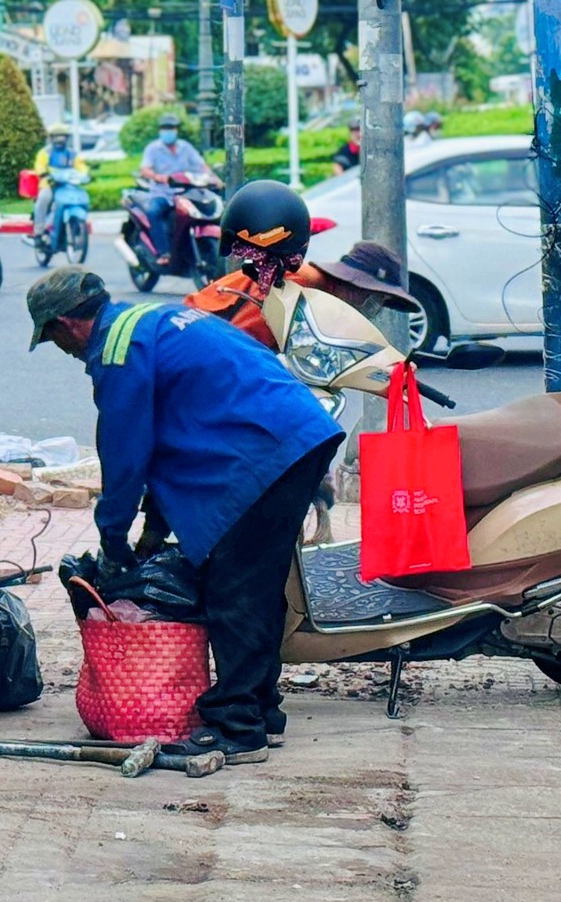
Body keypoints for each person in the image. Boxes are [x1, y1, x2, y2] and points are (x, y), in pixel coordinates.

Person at [25, 261, 344, 764]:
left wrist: (113, 541)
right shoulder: (156, 319)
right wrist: (152, 531)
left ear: (64, 325)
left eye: (54, 340)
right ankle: (262, 709)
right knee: (258, 586)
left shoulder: (116, 349)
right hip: (297, 438)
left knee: (232, 588)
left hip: (266, 452)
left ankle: (238, 727)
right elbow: (166, 442)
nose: (64, 353)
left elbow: (126, 454)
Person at [185, 239, 421, 350]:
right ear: (353, 284)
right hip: (190, 337)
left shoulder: (320, 299)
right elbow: (242, 343)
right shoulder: (298, 286)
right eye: (373, 299)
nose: (371, 308)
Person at [139, 113, 217, 266]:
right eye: (165, 128)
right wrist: (159, 177)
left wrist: (213, 177)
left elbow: (201, 165)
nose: (168, 131)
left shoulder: (186, 147)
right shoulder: (153, 149)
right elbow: (145, 170)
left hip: (186, 194)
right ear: (160, 131)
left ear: (176, 130)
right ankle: (163, 252)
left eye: (171, 128)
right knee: (153, 212)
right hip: (162, 193)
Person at [32, 123, 89, 238]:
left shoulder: (72, 153)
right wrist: (43, 173)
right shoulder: (45, 152)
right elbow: (39, 165)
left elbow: (81, 166)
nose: (60, 139)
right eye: (57, 136)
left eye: (62, 136)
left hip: (67, 185)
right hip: (49, 184)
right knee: (44, 199)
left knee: (80, 198)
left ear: (67, 138)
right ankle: (39, 230)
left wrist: (85, 174)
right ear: (51, 138)